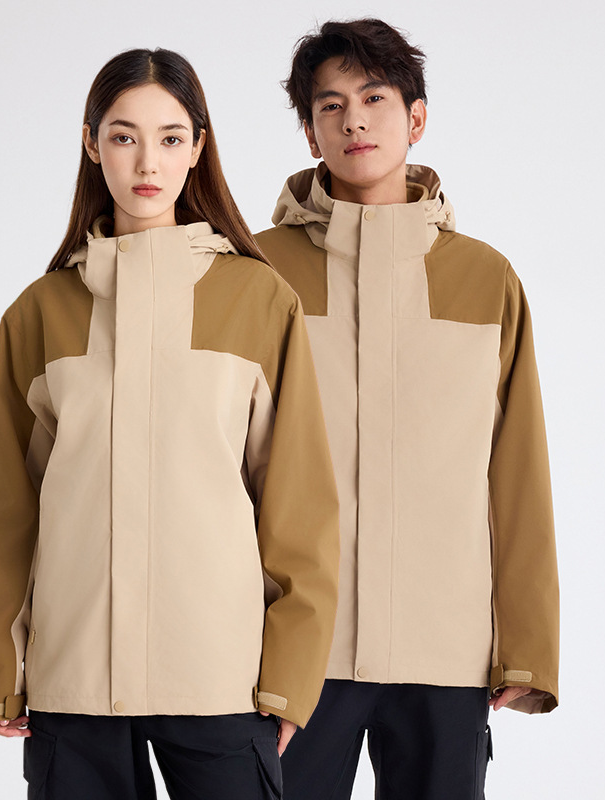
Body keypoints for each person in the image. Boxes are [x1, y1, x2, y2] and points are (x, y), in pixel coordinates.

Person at [0, 47, 339, 800]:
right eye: (124, 136)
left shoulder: (259, 301)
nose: (148, 162)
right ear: (91, 144)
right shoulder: (39, 313)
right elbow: (9, 513)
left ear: (198, 148)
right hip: (75, 681)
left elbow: (298, 508)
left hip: (219, 678)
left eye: (171, 138)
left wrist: (291, 678)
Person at [255, 19, 559, 800]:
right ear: (310, 132)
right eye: (330, 106)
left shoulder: (486, 279)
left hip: (445, 648)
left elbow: (517, 470)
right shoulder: (257, 273)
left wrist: (526, 645)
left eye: (374, 99)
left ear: (415, 118)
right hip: (291, 651)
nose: (353, 121)